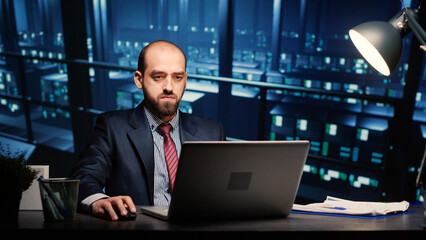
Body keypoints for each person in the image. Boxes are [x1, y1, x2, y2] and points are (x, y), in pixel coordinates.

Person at [71, 40, 226, 221]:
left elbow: (228, 191)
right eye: (158, 76)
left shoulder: (212, 132)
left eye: (177, 77)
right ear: (139, 79)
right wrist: (99, 201)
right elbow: (83, 178)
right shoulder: (112, 126)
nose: (169, 87)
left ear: (185, 81)